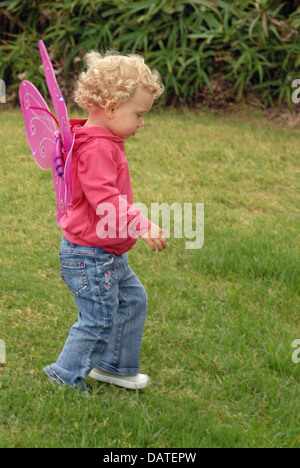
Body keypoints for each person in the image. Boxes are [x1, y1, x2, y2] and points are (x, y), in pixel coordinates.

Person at [44, 51, 167, 394]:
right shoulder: (97, 147)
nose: (141, 123)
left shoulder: (105, 140)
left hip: (105, 250)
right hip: (90, 255)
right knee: (98, 320)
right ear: (112, 108)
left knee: (132, 301)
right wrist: (140, 224)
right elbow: (106, 200)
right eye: (138, 114)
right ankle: (64, 374)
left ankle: (114, 366)